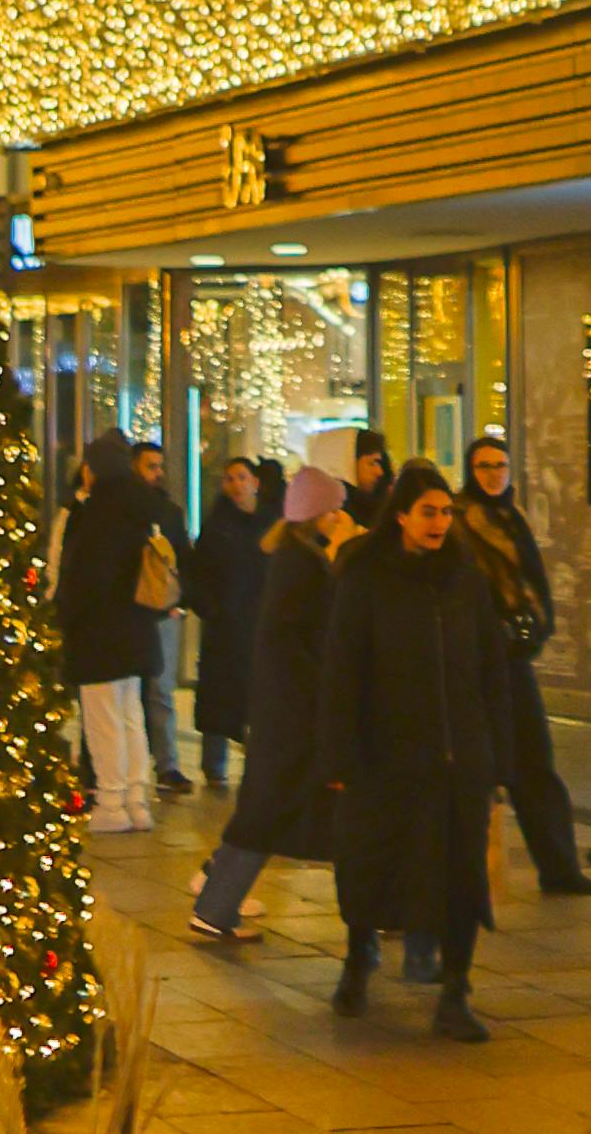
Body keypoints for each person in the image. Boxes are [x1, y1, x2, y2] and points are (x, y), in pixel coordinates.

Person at [319, 451, 518, 1042]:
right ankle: (359, 958)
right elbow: (342, 674)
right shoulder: (365, 581)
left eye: (446, 513)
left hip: (457, 764)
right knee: (371, 868)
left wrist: (496, 756)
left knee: (461, 879)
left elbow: (492, 672)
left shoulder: (465, 582)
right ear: (401, 517)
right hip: (386, 761)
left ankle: (456, 990)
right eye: (429, 512)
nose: (440, 523)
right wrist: (339, 756)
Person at [189, 434, 353, 944]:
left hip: (283, 712)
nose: (339, 517)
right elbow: (313, 643)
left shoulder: (292, 559)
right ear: (320, 513)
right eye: (335, 509)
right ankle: (216, 904)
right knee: (267, 813)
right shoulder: (305, 566)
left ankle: (216, 904)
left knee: (264, 811)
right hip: (293, 716)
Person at [456, 428, 591, 897]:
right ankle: (465, 873)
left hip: (514, 660)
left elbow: (533, 583)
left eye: (499, 465)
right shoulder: (461, 521)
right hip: (479, 664)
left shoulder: (512, 517)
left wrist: (535, 629)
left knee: (535, 761)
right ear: (469, 471)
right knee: (484, 766)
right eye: (484, 466)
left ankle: (559, 867)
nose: (493, 474)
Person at [49, 433, 164, 832]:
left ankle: (112, 803)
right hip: (135, 630)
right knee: (131, 714)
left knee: (103, 718)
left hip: (99, 633)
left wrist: (64, 613)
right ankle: (136, 799)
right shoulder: (141, 506)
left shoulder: (98, 513)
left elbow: (86, 577)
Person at [183, 448, 268, 790]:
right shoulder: (217, 526)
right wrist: (211, 609)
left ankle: (259, 761)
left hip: (259, 626)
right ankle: (214, 766)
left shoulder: (268, 524)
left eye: (242, 478)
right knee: (220, 698)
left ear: (255, 483)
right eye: (230, 479)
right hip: (224, 628)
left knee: (258, 697)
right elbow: (198, 574)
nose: (236, 485)